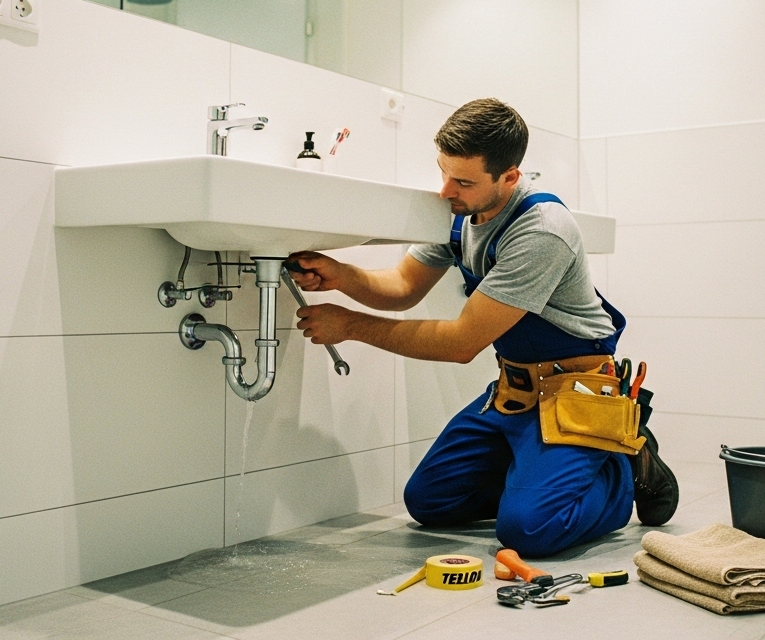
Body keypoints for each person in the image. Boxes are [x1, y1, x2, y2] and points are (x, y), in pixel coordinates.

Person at [289, 98, 678, 558]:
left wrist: (351, 324)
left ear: (509, 177)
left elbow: (462, 343)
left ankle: (621, 465)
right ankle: (536, 479)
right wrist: (342, 274)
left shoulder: (542, 230)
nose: (444, 191)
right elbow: (402, 287)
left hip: (576, 393)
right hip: (512, 393)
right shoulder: (459, 216)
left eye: (463, 181)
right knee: (430, 501)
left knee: (530, 531)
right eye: (443, 172)